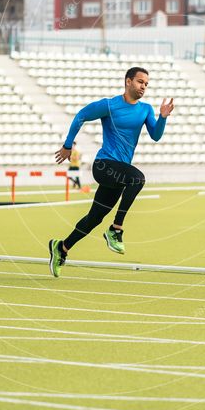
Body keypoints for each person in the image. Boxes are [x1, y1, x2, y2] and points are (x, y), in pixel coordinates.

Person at [48, 66, 174, 277]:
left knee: (94, 218)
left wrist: (162, 117)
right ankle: (116, 230)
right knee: (137, 179)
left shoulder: (144, 110)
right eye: (140, 82)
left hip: (118, 173)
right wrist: (68, 145)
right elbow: (81, 116)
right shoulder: (110, 105)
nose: (143, 87)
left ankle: (61, 248)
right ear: (128, 82)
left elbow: (156, 136)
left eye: (146, 84)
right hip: (104, 165)